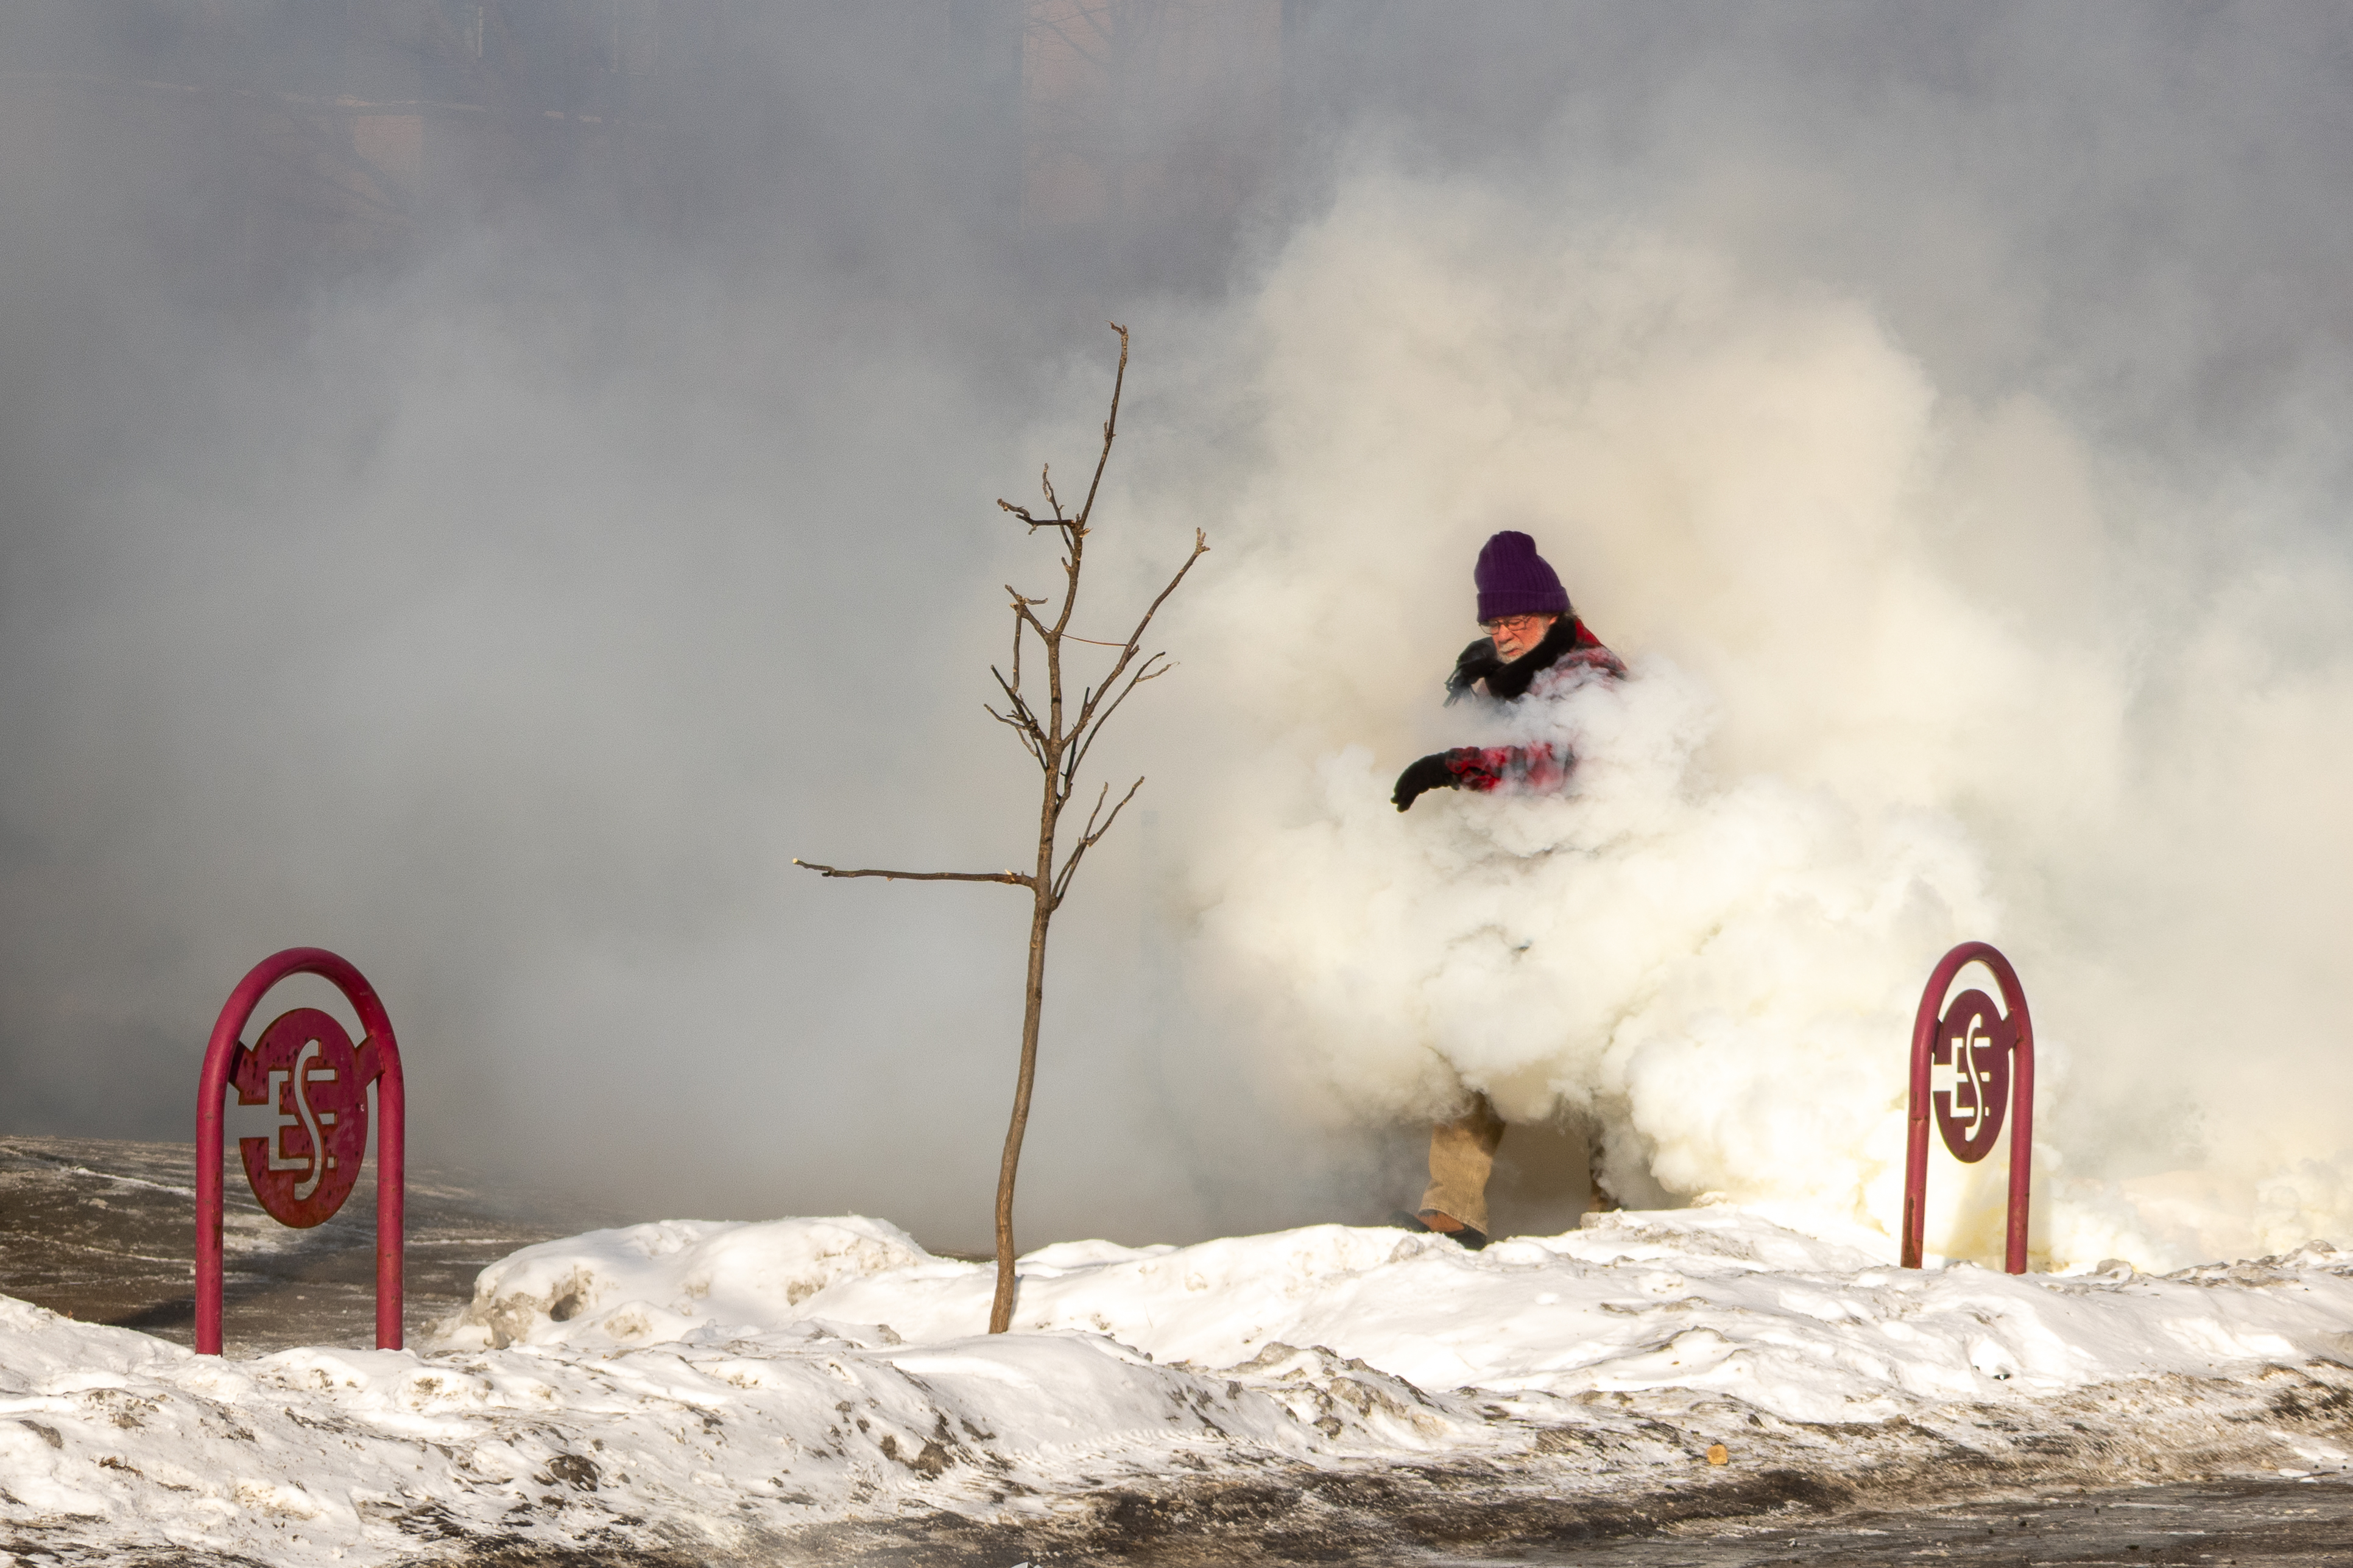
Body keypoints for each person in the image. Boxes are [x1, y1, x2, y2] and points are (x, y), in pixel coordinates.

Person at [1389, 530, 1623, 1249]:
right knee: (1476, 1018)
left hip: (1596, 888)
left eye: (1517, 619)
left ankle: (1612, 1213)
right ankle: (1452, 1208)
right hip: (1520, 885)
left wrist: (1455, 762)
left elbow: (1556, 762)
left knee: (1593, 1047)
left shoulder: (1592, 675)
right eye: (1494, 623)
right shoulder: (1510, 672)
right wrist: (1482, 693)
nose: (1505, 632)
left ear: (1552, 612)